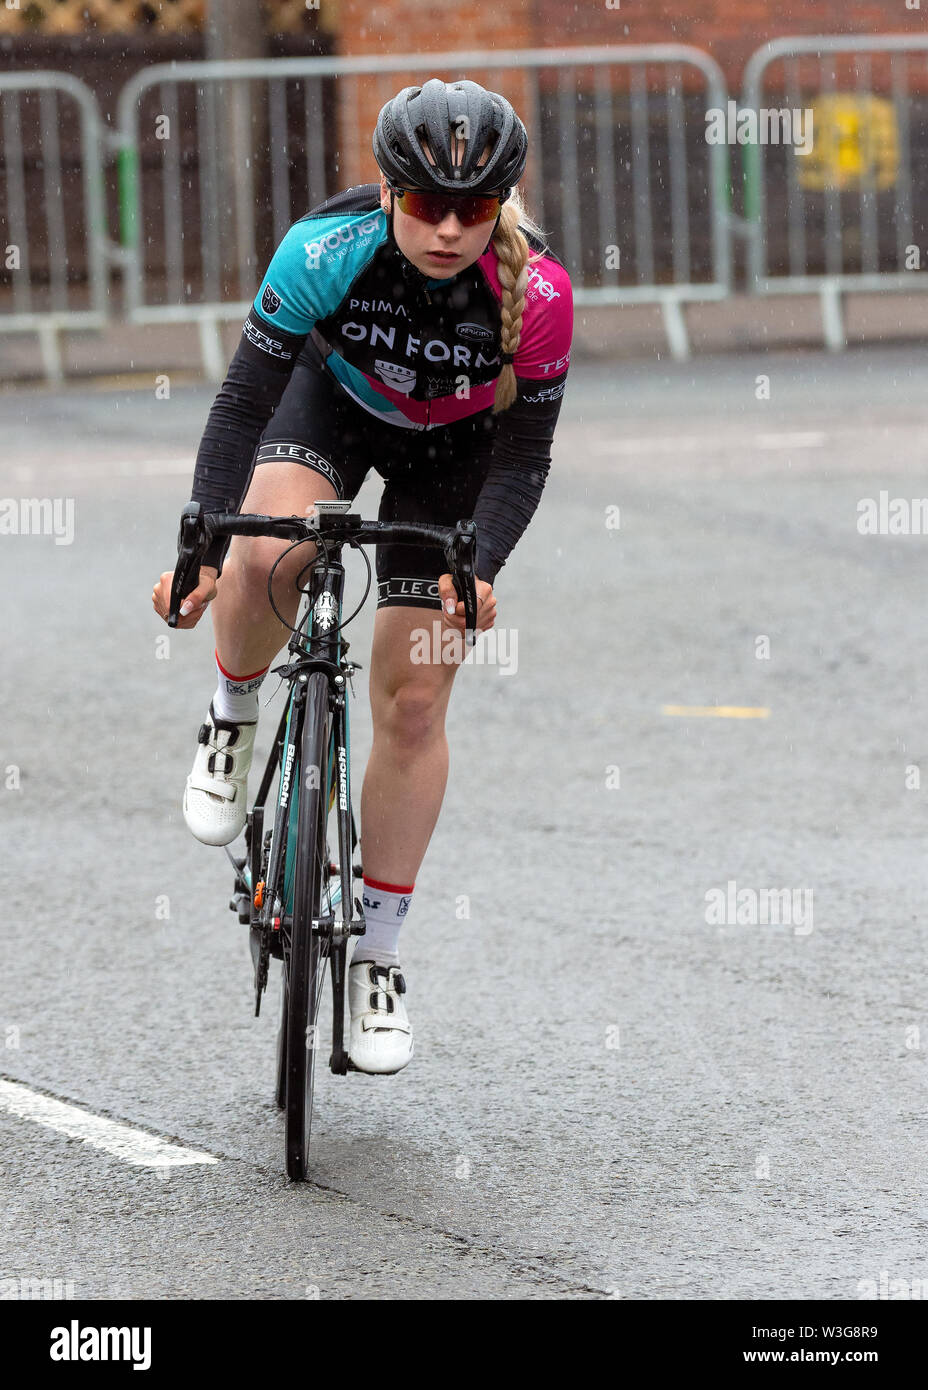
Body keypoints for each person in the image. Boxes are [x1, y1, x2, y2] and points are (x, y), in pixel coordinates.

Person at [151, 78, 573, 1076]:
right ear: (388, 193)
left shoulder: (539, 295)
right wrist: (204, 548)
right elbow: (243, 403)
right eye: (426, 204)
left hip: (454, 455)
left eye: (473, 209)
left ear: (501, 204)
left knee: (418, 698)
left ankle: (378, 955)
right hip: (328, 410)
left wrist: (484, 568)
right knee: (267, 552)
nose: (448, 229)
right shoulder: (322, 250)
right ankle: (231, 708)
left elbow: (523, 459)